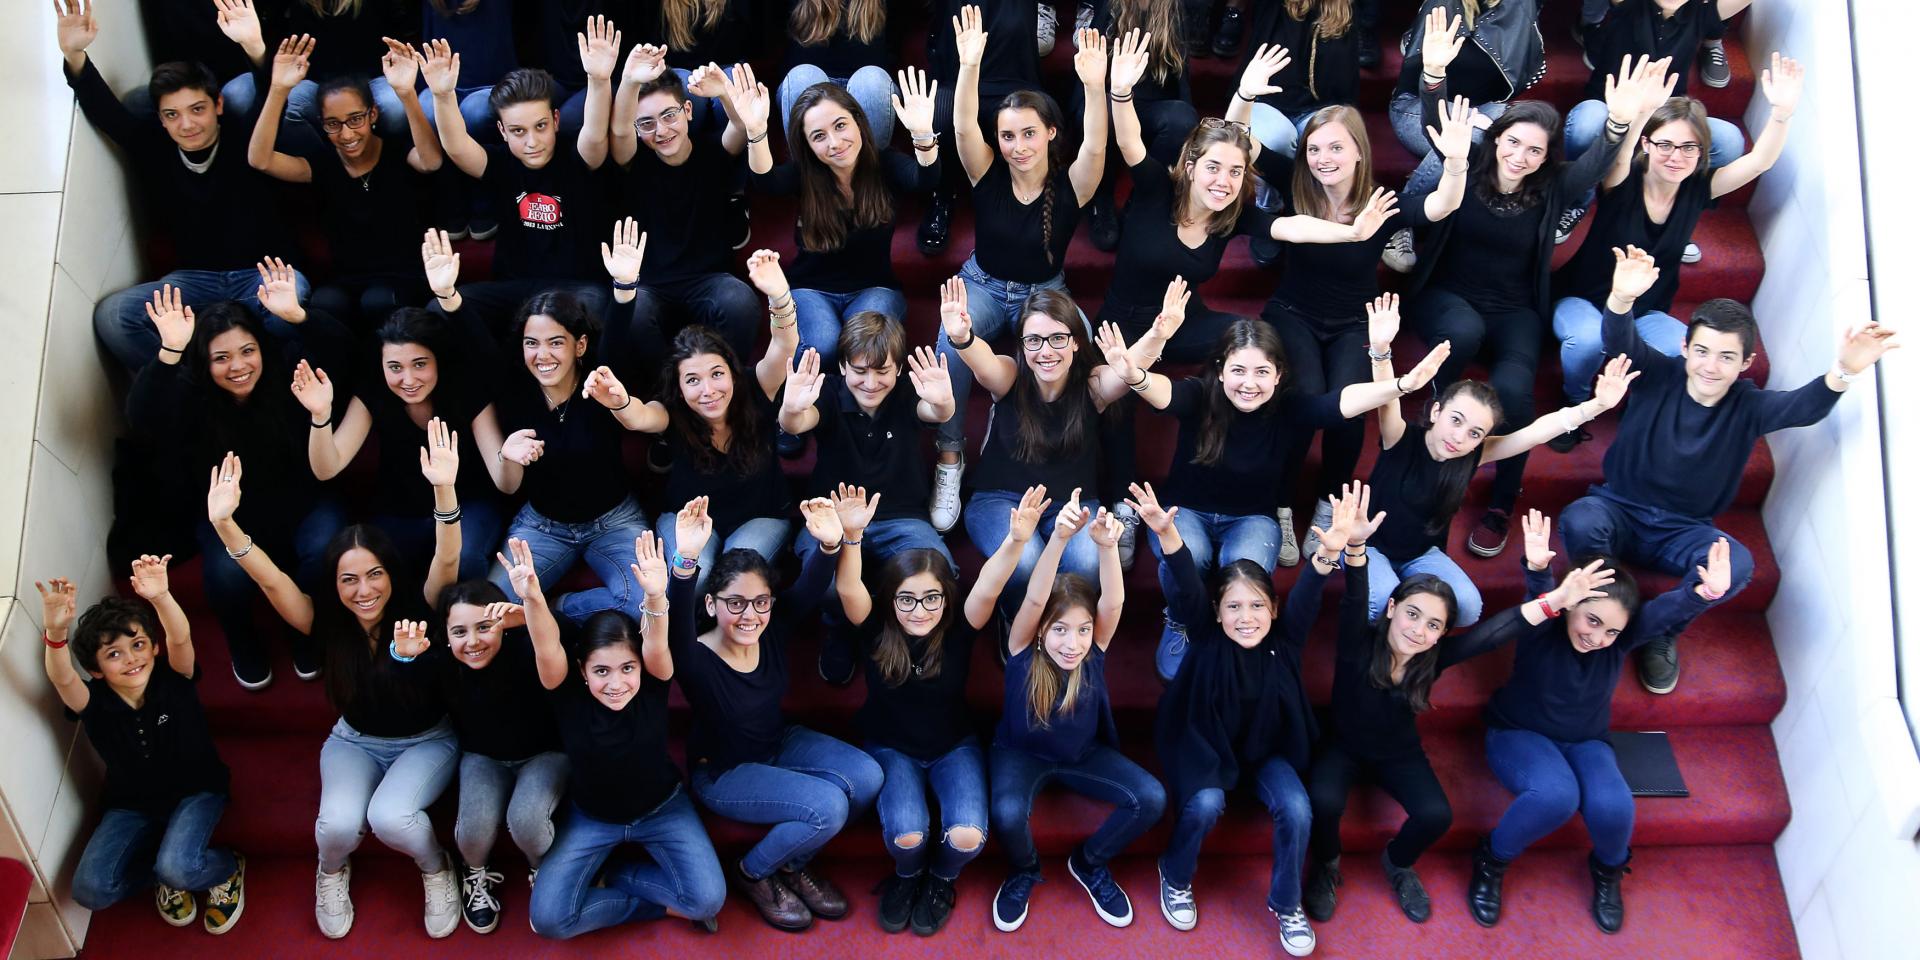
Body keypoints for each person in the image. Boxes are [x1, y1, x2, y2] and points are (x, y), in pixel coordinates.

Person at [1557, 246, 1899, 695]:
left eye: (1725, 357)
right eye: (1701, 351)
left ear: (1746, 363)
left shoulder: (1749, 405)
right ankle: (1600, 607)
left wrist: (1844, 371)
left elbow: (1803, 407)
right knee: (1580, 518)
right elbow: (1621, 342)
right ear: (1684, 347)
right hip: (1618, 508)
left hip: (1682, 530)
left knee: (1737, 566)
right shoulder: (1660, 373)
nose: (1710, 366)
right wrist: (1621, 299)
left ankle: (1660, 632)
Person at [1403, 54, 1670, 558]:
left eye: (1535, 150)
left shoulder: (1551, 188)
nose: (1521, 157)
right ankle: (1435, 407)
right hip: (1448, 294)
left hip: (1514, 306)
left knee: (1515, 392)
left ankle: (1501, 502)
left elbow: (1594, 167)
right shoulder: (1470, 161)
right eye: (1514, 142)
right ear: (1497, 138)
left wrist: (1620, 122)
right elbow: (1439, 126)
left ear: (1547, 158)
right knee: (1462, 331)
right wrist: (1433, 75)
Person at [204, 435, 465, 940]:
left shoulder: (423, 609)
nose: (364, 590)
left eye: (374, 575)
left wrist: (445, 490)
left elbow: (449, 560)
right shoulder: (324, 622)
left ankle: (436, 869)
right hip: (355, 741)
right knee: (337, 829)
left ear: (392, 575)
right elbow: (275, 582)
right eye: (349, 580)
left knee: (390, 818)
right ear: (334, 584)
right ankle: (331, 872)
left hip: (427, 739)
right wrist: (224, 524)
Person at [1107, 315, 1448, 680]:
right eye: (1239, 370)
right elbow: (1164, 392)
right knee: (1189, 556)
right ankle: (1179, 621)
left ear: (1279, 374)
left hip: (1252, 519)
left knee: (1246, 576)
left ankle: (1233, 645)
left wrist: (1402, 384)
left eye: (1261, 372)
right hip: (1186, 511)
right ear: (1221, 371)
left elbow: (1343, 402)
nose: (1249, 384)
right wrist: (1135, 376)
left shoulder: (1289, 407)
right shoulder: (1200, 394)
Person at [1465, 513, 1733, 934]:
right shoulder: (1545, 628)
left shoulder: (1617, 641)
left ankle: (1608, 872)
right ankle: (1492, 859)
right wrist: (1537, 570)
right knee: (1557, 795)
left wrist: (1701, 594)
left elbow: (1661, 614)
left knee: (1614, 804)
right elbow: (1538, 598)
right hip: (1518, 733)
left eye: (1611, 631)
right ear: (1572, 605)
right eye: (1592, 621)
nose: (1598, 637)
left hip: (1586, 741)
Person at [1142, 482, 1359, 956]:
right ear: (1216, 614)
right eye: (1234, 606)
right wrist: (1169, 537)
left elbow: (1310, 590)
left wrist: (1328, 554)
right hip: (1207, 748)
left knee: (1298, 807)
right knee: (1204, 805)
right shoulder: (1204, 634)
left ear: (1273, 610)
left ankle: (1287, 903)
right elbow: (1184, 579)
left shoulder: (1288, 638)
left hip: (1267, 752)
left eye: (1258, 605)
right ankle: (1175, 874)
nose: (1247, 617)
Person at [1550, 56, 1802, 438]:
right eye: (1665, 144)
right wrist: (1644, 112)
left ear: (1702, 153)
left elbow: (1758, 162)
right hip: (1583, 299)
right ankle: (1577, 401)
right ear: (1647, 145)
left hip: (1646, 311)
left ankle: (1641, 406)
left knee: (1679, 352)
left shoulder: (1699, 189)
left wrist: (1782, 113)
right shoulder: (1623, 180)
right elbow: (1620, 156)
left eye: (1688, 147)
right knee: (1588, 341)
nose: (1675, 156)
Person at [829, 485, 1043, 934]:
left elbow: (990, 583)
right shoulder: (874, 628)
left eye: (931, 598)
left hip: (953, 746)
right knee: (907, 836)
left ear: (945, 599)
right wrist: (852, 538)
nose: (919, 610)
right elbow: (849, 586)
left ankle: (941, 878)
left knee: (967, 837)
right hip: (891, 747)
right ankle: (908, 876)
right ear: (891, 599)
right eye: (907, 598)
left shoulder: (960, 627)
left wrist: (1017, 541)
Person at [55, 0, 309, 374]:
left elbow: (267, 96)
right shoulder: (155, 147)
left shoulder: (245, 137)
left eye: (197, 109)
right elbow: (109, 114)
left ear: (218, 105)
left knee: (295, 299)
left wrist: (254, 47)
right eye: (172, 115)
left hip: (262, 272)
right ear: (160, 119)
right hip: (194, 279)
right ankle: (193, 383)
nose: (186, 124)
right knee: (113, 316)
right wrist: (75, 55)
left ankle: (263, 380)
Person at [930, 9, 1112, 529]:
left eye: (1029, 134)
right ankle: (949, 456)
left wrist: (1095, 89)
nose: (1018, 146)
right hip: (983, 285)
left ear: (1052, 133)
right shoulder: (986, 171)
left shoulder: (1072, 183)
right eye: (1008, 136)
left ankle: (1079, 463)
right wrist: (968, 67)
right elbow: (965, 124)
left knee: (1089, 351)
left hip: (1045, 293)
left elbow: (1097, 145)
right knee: (950, 344)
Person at [667, 497, 884, 932]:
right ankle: (751, 872)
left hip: (778, 741)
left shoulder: (771, 626)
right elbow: (674, 619)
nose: (750, 615)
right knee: (828, 807)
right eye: (736, 603)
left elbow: (806, 589)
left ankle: (790, 864)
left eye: (761, 602)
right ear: (711, 605)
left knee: (868, 777)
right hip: (725, 770)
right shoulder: (693, 656)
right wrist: (686, 560)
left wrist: (828, 547)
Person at [1300, 506, 1523, 927]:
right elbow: (1353, 592)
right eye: (1413, 614)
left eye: (1433, 625)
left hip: (1398, 753)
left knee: (1437, 815)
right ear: (1391, 609)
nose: (1418, 630)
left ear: (1441, 634)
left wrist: (1553, 602)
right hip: (1342, 745)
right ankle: (1327, 863)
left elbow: (1492, 634)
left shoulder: (1432, 659)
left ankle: (1398, 864)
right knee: (1324, 800)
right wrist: (1357, 544)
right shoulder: (1357, 640)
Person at [127, 273, 351, 690]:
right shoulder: (190, 396)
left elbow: (344, 351)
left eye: (247, 351)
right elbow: (142, 416)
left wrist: (301, 317)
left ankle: (306, 631)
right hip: (228, 515)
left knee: (325, 548)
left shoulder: (287, 374)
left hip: (303, 504)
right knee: (225, 576)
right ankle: (243, 639)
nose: (238, 366)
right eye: (222, 358)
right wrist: (171, 347)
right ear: (205, 363)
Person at [501, 536, 728, 939]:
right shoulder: (565, 689)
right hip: (592, 818)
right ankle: (652, 906)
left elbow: (656, 638)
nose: (616, 683)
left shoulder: (655, 679)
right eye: (601, 671)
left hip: (663, 809)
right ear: (582, 670)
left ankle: (616, 874)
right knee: (549, 920)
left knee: (708, 899)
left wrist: (657, 596)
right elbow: (546, 644)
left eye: (627, 668)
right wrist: (533, 597)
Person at [1361, 295, 1640, 622]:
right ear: (1436, 410)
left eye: (1476, 433)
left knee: (1467, 608)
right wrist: (1381, 350)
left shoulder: (1473, 454)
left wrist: (1595, 406)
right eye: (1456, 420)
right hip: (1372, 547)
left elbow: (1536, 432)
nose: (1460, 437)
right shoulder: (1399, 435)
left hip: (1421, 556)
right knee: (1381, 598)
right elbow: (1386, 395)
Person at [572, 246, 801, 587]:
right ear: (679, 387)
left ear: (733, 373)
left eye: (716, 374)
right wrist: (618, 401)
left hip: (760, 517)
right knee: (696, 577)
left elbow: (784, 346)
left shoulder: (757, 386)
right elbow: (640, 418)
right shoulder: (675, 409)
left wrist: (780, 296)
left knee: (736, 579)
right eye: (692, 380)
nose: (708, 390)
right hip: (689, 519)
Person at [40, 564, 246, 936]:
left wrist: (162, 597)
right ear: (97, 669)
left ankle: (225, 869)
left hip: (197, 791)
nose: (132, 658)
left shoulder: (174, 678)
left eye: (137, 645)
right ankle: (163, 876)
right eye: (114, 654)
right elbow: (62, 676)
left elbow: (181, 638)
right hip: (130, 804)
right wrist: (56, 632)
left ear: (153, 647)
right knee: (91, 889)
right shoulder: (94, 700)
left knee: (180, 867)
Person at [989, 495, 1161, 932]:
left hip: (1082, 755)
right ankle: (1025, 870)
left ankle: (1088, 862)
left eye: (1082, 630)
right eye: (1061, 630)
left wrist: (1106, 549)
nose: (1073, 643)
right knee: (1007, 814)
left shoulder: (1092, 652)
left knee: (1151, 798)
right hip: (1021, 756)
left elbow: (1113, 605)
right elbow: (1033, 599)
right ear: (1042, 629)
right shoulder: (1023, 649)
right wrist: (1059, 540)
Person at [471, 222, 654, 624]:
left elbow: (620, 333)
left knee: (645, 606)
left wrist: (624, 289)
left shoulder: (600, 380)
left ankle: (557, 610)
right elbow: (507, 483)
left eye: (556, 342)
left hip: (614, 521)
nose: (543, 355)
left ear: (580, 345)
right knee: (488, 615)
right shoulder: (514, 389)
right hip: (542, 525)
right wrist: (508, 456)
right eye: (531, 343)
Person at [294, 260, 508, 581]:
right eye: (395, 367)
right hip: (400, 509)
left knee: (464, 560)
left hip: (468, 503)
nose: (408, 379)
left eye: (420, 364)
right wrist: (321, 416)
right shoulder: (375, 392)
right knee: (380, 569)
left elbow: (502, 477)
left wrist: (511, 455)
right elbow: (328, 467)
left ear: (439, 360)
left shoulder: (466, 389)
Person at [778, 317, 958, 685]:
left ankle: (900, 633)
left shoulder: (907, 392)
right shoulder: (828, 392)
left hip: (901, 518)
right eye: (859, 371)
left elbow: (935, 412)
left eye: (882, 371)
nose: (871, 383)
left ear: (898, 368)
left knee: (943, 571)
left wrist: (945, 403)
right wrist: (792, 409)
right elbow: (797, 424)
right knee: (824, 584)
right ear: (842, 365)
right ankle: (839, 625)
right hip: (834, 518)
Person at [941, 282, 1133, 619]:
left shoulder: (1092, 384)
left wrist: (1158, 336)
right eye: (1034, 341)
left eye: (1057, 338)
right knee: (1024, 559)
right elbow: (985, 365)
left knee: (1088, 563)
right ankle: (1013, 615)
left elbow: (1126, 377)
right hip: (1000, 501)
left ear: (1075, 341)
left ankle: (1060, 626)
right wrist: (962, 339)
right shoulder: (1011, 376)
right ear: (1023, 345)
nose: (1045, 351)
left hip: (1075, 504)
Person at [743, 68, 942, 366]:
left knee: (866, 349)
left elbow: (924, 179)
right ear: (808, 145)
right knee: (821, 346)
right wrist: (757, 132)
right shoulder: (806, 173)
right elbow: (766, 181)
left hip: (875, 289)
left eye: (840, 126)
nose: (835, 143)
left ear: (858, 122)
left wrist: (923, 134)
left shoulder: (883, 162)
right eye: (819, 136)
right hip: (810, 290)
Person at [246, 35, 443, 330]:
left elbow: (431, 162)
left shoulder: (396, 150)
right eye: (333, 124)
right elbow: (259, 159)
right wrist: (278, 89)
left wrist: (406, 94)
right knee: (325, 305)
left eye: (355, 119)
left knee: (377, 302)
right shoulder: (321, 163)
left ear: (372, 114)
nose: (347, 134)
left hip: (402, 277)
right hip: (348, 279)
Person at [422, 31, 614, 334]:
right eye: (518, 131)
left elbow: (594, 134)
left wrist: (600, 80)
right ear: (502, 130)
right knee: (440, 310)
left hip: (576, 289)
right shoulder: (500, 163)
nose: (532, 142)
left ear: (556, 120)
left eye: (540, 126)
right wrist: (443, 95)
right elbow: (457, 147)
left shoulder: (578, 157)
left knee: (597, 302)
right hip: (516, 288)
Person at [1563, 0, 1759, 246]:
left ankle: (1671, 216)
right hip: (1612, 107)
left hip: (1665, 119)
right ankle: (1575, 201)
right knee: (1586, 122)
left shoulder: (1700, 13)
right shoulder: (1629, 5)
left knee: (1729, 139)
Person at [434, 578, 568, 934]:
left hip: (543, 753)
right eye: (460, 631)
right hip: (484, 756)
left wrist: (528, 617)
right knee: (472, 833)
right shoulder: (444, 663)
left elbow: (569, 636)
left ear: (501, 624)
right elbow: (406, 691)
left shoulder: (528, 646)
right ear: (446, 635)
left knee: (526, 822)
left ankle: (544, 868)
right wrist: (402, 657)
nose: (473, 641)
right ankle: (475, 874)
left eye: (483, 627)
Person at [608, 54, 760, 362]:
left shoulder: (711, 152)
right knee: (631, 311)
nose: (661, 131)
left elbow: (741, 127)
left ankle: (728, 381)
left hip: (708, 280)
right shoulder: (633, 162)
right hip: (651, 286)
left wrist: (722, 93)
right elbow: (621, 131)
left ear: (687, 110)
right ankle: (669, 390)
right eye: (647, 124)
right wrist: (628, 79)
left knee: (740, 301)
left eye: (669, 116)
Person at [919, 0, 1048, 254]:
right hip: (957, 78)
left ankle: (1020, 202)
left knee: (1034, 114)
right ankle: (943, 195)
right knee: (940, 111)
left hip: (1014, 77)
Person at [1077, 3, 1201, 250]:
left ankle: (1145, 197)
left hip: (1156, 107)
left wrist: (1193, 137)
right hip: (1110, 102)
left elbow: (1181, 75)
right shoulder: (1112, 6)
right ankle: (1101, 196)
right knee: (1102, 116)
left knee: (1182, 119)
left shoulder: (1174, 8)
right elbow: (1091, 66)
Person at [1238, 0, 1362, 163]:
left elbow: (1347, 81)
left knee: (1327, 142)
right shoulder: (1275, 6)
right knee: (1279, 139)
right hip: (1266, 102)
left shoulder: (1346, 10)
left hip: (1318, 109)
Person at [776, 0, 898, 145]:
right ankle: (808, 165)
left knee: (871, 81)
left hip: (871, 89)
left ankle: (869, 165)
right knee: (802, 77)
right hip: (805, 82)